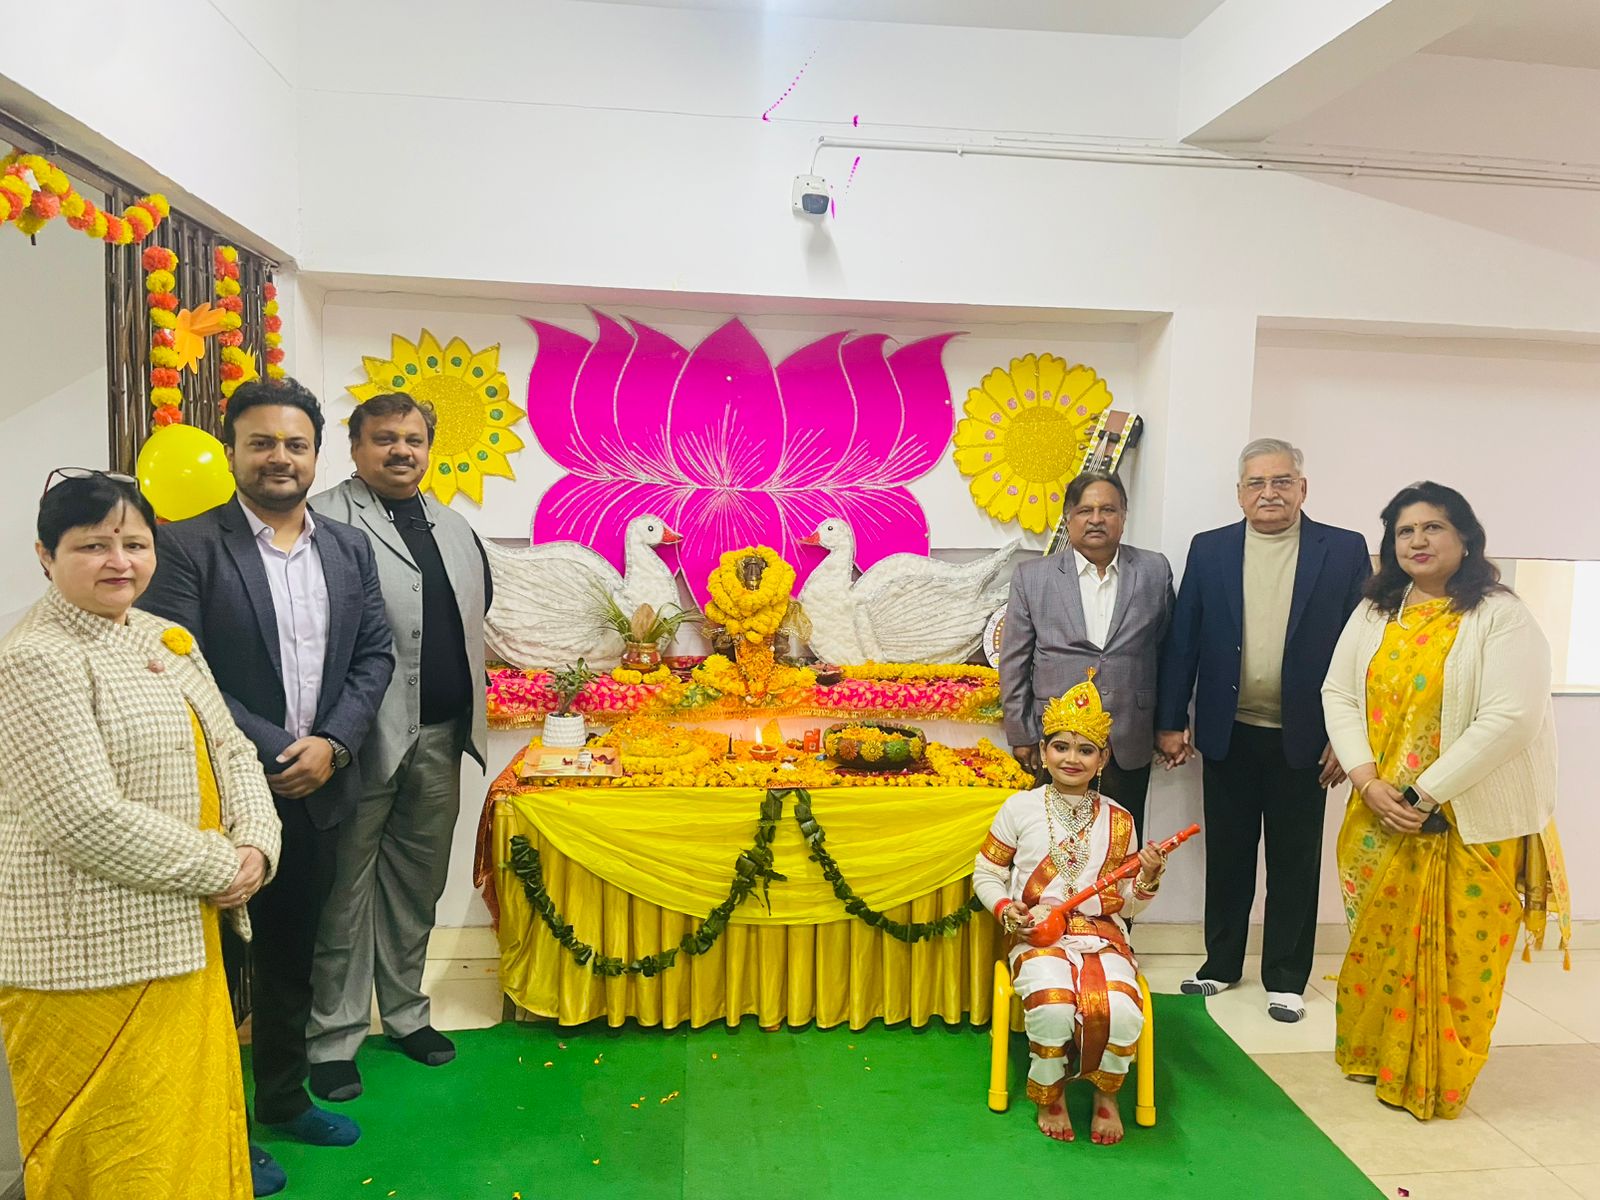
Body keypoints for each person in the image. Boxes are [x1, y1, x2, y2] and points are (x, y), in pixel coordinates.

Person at [139, 379, 394, 1188]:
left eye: (294, 444)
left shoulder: (347, 548)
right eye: (261, 443)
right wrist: (285, 750)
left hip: (321, 792)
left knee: (293, 957)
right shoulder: (186, 547)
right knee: (216, 973)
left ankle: (283, 1099)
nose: (279, 458)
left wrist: (334, 746)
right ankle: (221, 1130)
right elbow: (184, 667)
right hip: (216, 800)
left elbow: (375, 655)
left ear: (316, 454)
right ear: (232, 452)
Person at [0, 470, 282, 1197]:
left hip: (184, 932)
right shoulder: (35, 657)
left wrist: (257, 843)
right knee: (116, 1154)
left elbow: (232, 749)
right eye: (93, 545)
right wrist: (222, 866)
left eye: (134, 543)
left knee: (184, 1134)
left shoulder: (164, 636)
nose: (119, 561)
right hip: (87, 953)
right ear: (45, 554)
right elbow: (81, 817)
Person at [1321, 481, 1569, 1120]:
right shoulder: (1377, 611)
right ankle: (1376, 1056)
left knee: (1460, 962)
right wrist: (1366, 779)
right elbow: (1338, 693)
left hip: (1468, 820)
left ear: (1465, 538)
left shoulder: (1500, 615)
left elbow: (1510, 718)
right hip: (1380, 814)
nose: (1418, 541)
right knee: (1378, 947)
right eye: (1405, 531)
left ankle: (1436, 1080)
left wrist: (1424, 793)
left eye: (1433, 527)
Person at [306, 394, 492, 1101]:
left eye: (413, 439)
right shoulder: (322, 521)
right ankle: (333, 1037)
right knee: (343, 892)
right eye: (383, 438)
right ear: (354, 448)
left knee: (418, 885)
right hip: (355, 741)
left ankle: (407, 1013)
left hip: (441, 737)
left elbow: (473, 616)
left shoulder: (453, 527)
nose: (401, 451)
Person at [1155, 438, 1370, 1022]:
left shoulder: (1344, 549)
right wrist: (1171, 721)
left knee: (1295, 862)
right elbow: (1184, 640)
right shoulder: (1211, 549)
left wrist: (1349, 739)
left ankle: (1286, 977)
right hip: (1230, 732)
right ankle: (1220, 964)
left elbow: (1366, 651)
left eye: (1281, 481)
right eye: (1256, 483)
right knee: (1227, 855)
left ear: (1303, 488)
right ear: (1240, 493)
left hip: (1308, 739)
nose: (1268, 493)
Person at [973, 671, 1168, 1145]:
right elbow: (986, 873)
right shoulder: (1019, 808)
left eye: (1085, 750)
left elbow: (1130, 905)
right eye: (1061, 747)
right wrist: (1007, 909)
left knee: (1121, 1008)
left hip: (1103, 937)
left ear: (1103, 759)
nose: (1071, 758)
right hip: (1038, 935)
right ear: (1043, 753)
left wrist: (1148, 878)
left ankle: (1107, 1094)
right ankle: (1051, 1091)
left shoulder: (1120, 820)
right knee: (1054, 1005)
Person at [1000, 470, 1174, 837]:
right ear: (1068, 518)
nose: (1096, 519)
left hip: (1128, 736)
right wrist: (1022, 733)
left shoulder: (1154, 571)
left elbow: (1167, 651)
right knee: (1052, 843)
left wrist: (1168, 723)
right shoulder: (1033, 577)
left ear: (1123, 516)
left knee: (1121, 843)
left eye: (1108, 510)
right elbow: (1014, 660)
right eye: (1085, 510)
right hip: (1056, 739)